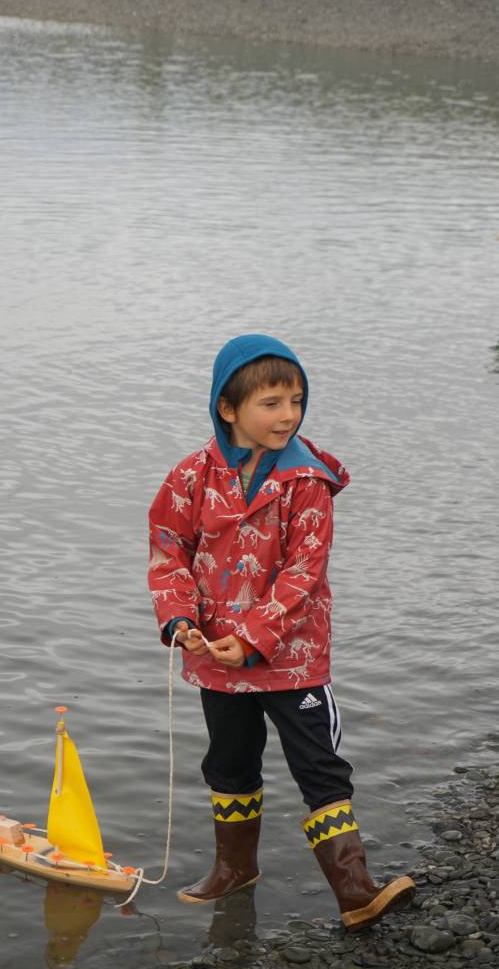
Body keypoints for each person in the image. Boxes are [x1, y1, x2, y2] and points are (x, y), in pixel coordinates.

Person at [147, 333, 415, 931]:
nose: (287, 414)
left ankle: (355, 889)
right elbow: (170, 552)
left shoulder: (307, 482)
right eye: (271, 402)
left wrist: (253, 637)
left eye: (295, 400)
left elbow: (302, 573)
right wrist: (181, 621)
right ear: (228, 407)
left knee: (319, 768)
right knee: (229, 764)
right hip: (215, 658)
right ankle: (234, 869)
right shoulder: (190, 477)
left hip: (293, 660)